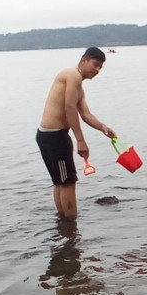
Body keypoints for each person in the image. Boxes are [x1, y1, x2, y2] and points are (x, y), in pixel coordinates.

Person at [36, 47, 115, 219]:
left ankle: (64, 227)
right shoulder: (73, 75)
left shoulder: (78, 86)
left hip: (48, 136)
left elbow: (85, 114)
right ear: (84, 60)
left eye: (101, 67)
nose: (97, 70)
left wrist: (103, 127)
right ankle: (71, 229)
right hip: (55, 137)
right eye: (95, 64)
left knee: (60, 182)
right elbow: (69, 107)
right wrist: (81, 140)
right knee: (67, 182)